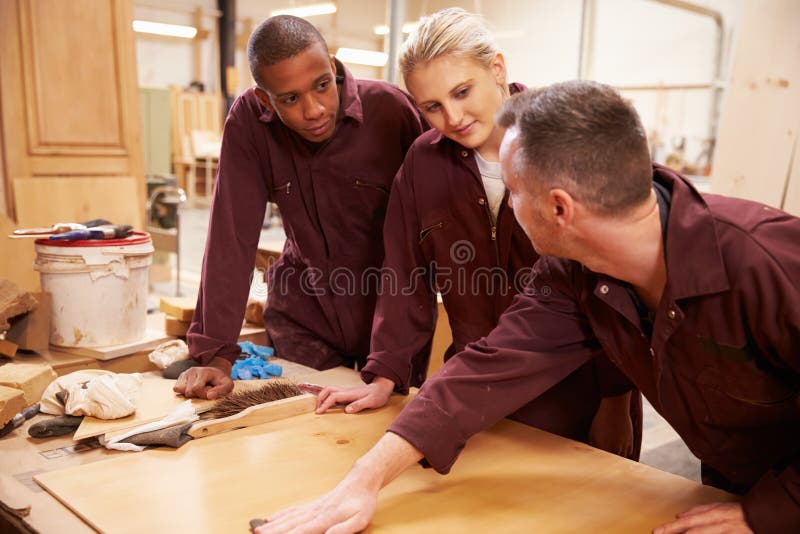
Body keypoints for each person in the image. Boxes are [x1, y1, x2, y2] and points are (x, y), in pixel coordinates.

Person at [256, 81, 800, 534]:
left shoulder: (767, 264)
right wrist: (364, 479)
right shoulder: (575, 273)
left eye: (512, 190)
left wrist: (770, 513)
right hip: (736, 480)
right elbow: (487, 367)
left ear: (559, 207)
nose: (507, 205)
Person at [315, 8, 640, 459]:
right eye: (431, 106)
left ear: (498, 69)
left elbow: (612, 283)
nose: (452, 117)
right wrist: (385, 376)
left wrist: (615, 400)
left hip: (578, 392)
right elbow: (404, 275)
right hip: (473, 392)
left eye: (462, 92)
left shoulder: (566, 141)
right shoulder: (422, 164)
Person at [174, 15, 426, 400]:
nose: (314, 110)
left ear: (333, 64)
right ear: (265, 99)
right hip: (304, 319)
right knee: (306, 438)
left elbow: (430, 233)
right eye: (290, 99)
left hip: (388, 314)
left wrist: (396, 353)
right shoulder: (249, 122)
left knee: (382, 431)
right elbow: (231, 235)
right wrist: (216, 354)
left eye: (322, 86)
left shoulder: (393, 112)